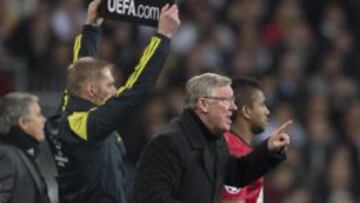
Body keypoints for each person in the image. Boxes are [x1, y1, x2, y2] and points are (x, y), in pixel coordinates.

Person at [45, 0, 181, 203]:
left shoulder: (68, 113)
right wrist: (163, 37)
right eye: (110, 85)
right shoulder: (87, 126)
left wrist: (91, 27)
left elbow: (81, 70)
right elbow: (136, 90)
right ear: (91, 90)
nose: (115, 90)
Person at [128, 73, 292, 203]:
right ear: (204, 104)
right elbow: (151, 199)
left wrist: (268, 149)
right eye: (227, 100)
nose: (234, 107)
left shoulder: (215, 141)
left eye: (233, 101)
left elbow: (236, 174)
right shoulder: (168, 143)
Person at [221, 78, 270, 203]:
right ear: (246, 111)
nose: (267, 111)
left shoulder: (231, 144)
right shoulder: (236, 151)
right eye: (262, 105)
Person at [0, 92, 50, 203]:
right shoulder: (6, 155)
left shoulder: (23, 153)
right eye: (38, 114)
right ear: (23, 122)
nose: (44, 120)